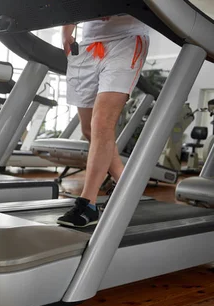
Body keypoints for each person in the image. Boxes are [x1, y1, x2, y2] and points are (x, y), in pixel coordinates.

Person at [57, 16, 150, 228]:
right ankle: (128, 187)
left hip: (126, 38)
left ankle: (87, 204)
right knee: (89, 129)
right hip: (88, 45)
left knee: (102, 124)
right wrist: (66, 31)